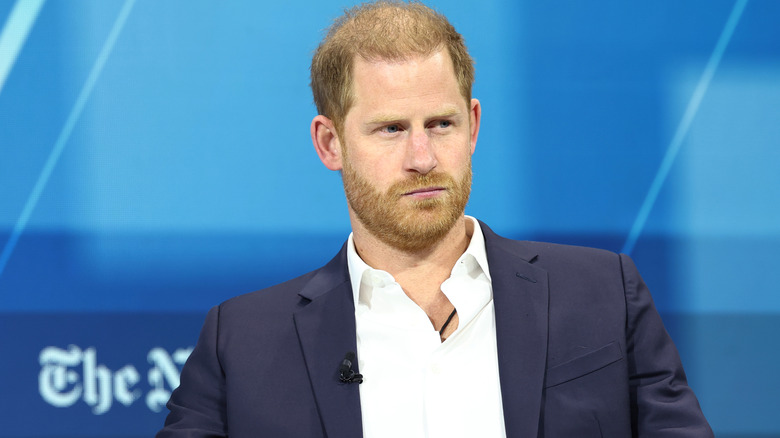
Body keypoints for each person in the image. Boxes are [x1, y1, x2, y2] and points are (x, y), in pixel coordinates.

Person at [157, 1, 713, 437]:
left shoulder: (603, 295)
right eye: (392, 129)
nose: (422, 157)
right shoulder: (243, 343)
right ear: (330, 142)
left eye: (441, 124)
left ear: (473, 126)